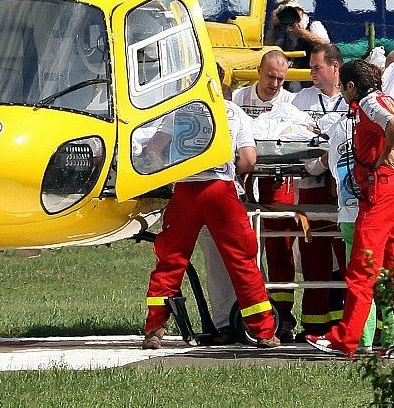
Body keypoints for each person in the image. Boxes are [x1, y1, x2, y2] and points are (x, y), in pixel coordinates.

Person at [305, 60, 394, 357]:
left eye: (344, 88)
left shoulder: (369, 103)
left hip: (380, 192)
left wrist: (387, 153)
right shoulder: (386, 100)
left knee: (362, 268)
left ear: (350, 86)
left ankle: (344, 339)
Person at [142, 98, 280, 349]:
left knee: (170, 261)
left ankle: (155, 328)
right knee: (242, 260)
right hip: (221, 189)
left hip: (185, 190)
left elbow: (153, 149)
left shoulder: (179, 108)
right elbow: (249, 159)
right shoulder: (234, 111)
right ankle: (264, 331)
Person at [232, 50, 299, 342]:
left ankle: (283, 313)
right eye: (271, 77)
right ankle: (250, 308)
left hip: (277, 179)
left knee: (280, 244)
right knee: (245, 247)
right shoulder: (239, 99)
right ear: (259, 71)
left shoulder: (289, 102)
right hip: (245, 178)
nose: (275, 84)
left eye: (281, 79)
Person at [292, 43, 348, 338]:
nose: (311, 72)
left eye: (317, 67)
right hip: (310, 185)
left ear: (334, 68)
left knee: (347, 255)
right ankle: (314, 324)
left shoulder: (351, 97)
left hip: (343, 189)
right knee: (313, 256)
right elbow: (292, 133)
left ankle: (348, 323)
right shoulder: (301, 99)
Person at [264, 0, 329, 69]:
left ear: (301, 11)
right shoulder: (283, 31)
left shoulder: (313, 25)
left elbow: (326, 45)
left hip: (309, 75)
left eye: (293, 11)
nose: (290, 15)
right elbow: (268, 51)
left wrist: (303, 33)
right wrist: (272, 27)